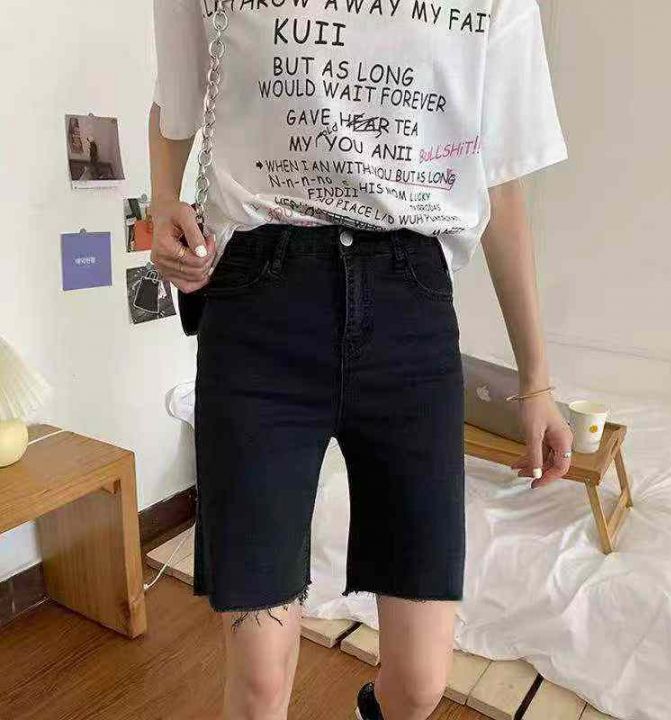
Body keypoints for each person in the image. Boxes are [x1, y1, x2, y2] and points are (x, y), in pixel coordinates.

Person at [149, 0, 574, 718]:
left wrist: (537, 380)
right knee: (258, 677)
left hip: (411, 309)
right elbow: (178, 94)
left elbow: (501, 184)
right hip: (260, 306)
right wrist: (163, 199)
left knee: (421, 684)